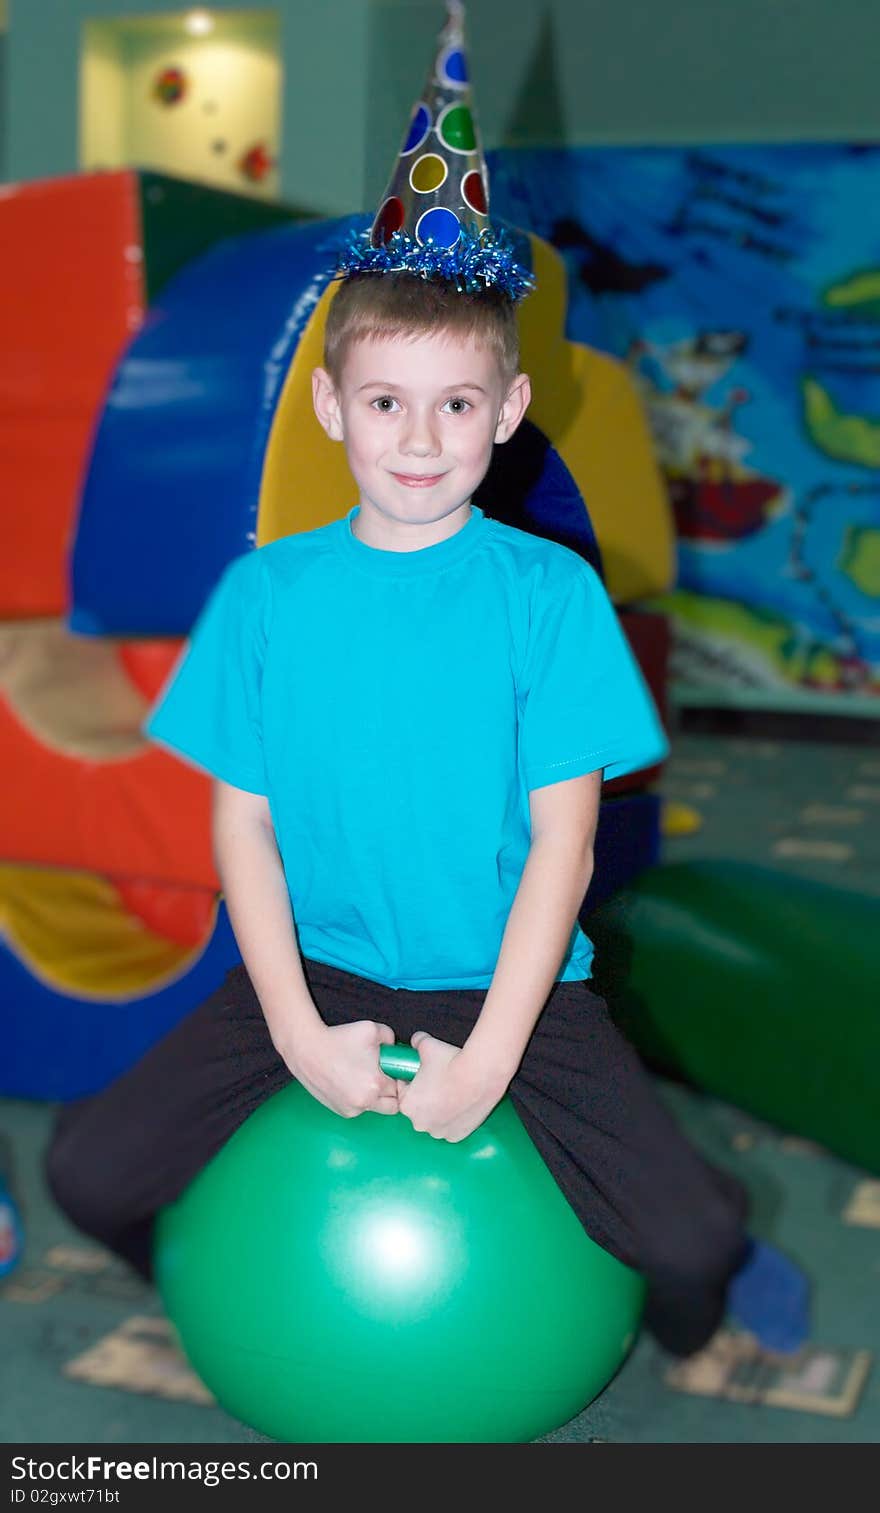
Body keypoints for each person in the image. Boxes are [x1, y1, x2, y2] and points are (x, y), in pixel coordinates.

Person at [45, 1, 808, 1366]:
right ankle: (231, 1278)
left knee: (690, 1236)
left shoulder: (548, 595)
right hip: (315, 970)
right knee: (87, 1174)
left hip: (503, 979)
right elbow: (242, 825)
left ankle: (680, 1314)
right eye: (385, 400)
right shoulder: (268, 594)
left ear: (509, 415)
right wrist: (296, 1027)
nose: (419, 436)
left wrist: (496, 1056)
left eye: (458, 403)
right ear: (332, 407)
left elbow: (567, 841)